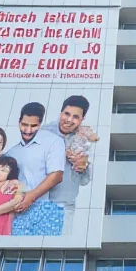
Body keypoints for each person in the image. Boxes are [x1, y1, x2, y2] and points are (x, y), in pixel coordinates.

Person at [5, 101, 66, 236]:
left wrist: (31, 197)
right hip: (17, 211)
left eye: (33, 126)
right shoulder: (11, 153)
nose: (28, 130)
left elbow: (56, 175)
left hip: (46, 209)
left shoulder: (54, 142)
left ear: (40, 124)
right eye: (24, 125)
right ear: (19, 122)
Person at [42, 96, 95, 228]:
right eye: (66, 114)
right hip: (37, 202)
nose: (69, 120)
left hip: (65, 206)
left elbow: (85, 180)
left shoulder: (84, 138)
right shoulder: (42, 133)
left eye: (76, 117)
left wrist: (83, 166)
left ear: (82, 119)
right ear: (61, 113)